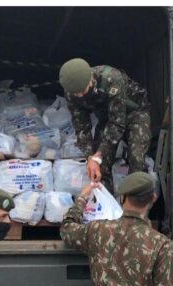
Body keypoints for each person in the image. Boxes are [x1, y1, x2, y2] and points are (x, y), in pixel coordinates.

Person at [59, 58, 150, 193]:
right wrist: (91, 157)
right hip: (107, 117)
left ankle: (136, 208)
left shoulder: (111, 79)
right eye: (76, 94)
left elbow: (117, 123)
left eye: (83, 91)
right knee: (99, 168)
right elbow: (81, 127)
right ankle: (107, 209)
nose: (80, 95)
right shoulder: (72, 93)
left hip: (135, 114)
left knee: (137, 160)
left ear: (91, 78)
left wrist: (97, 156)